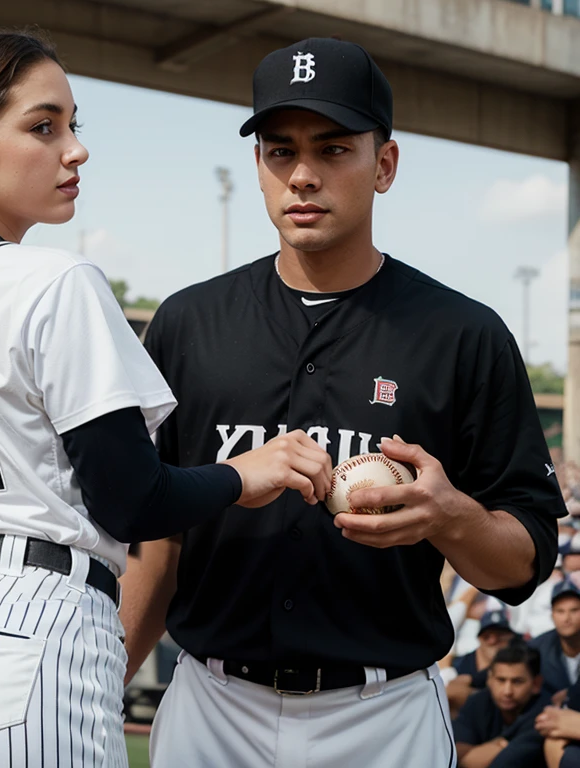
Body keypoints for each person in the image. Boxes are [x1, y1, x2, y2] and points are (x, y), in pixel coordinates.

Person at [0, 29, 331, 768]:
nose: (74, 149)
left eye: (71, 124)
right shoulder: (55, 281)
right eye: (42, 127)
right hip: (28, 629)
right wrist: (244, 475)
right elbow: (132, 503)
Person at [120, 37, 565, 768]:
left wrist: (451, 517)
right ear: (258, 164)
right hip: (213, 706)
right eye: (279, 150)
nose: (301, 176)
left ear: (383, 165)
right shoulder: (188, 322)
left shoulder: (463, 333)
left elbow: (524, 563)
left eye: (333, 150)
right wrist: (104, 682)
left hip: (382, 716)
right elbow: (155, 536)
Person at [454, 643, 548, 768]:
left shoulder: (545, 714)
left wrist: (479, 752)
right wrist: (498, 746)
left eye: (517, 682)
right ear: (489, 679)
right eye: (501, 680)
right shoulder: (477, 701)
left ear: (536, 684)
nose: (507, 691)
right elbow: (456, 755)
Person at [447, 609, 516, 716]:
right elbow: (450, 691)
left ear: (511, 637)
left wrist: (471, 682)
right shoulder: (460, 663)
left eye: (500, 635)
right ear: (479, 638)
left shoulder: (519, 658)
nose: (493, 641)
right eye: (487, 636)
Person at [531, 579, 580, 703]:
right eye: (560, 611)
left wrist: (572, 694)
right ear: (552, 615)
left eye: (574, 610)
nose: (566, 618)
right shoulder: (536, 648)